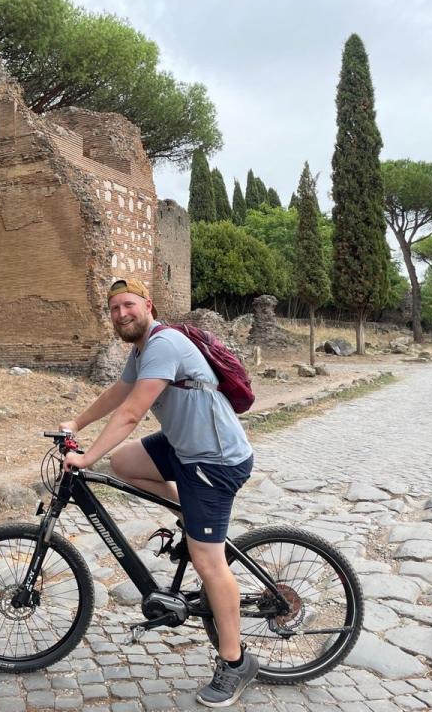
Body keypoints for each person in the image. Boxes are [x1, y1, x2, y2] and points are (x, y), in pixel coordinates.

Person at [59, 278, 257, 708]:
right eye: (113, 309)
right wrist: (77, 424)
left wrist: (86, 457)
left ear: (147, 305)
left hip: (213, 461)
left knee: (208, 559)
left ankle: (235, 662)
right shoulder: (142, 348)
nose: (121, 314)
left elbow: (132, 413)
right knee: (125, 463)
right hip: (183, 450)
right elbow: (119, 393)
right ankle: (190, 512)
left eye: (127, 305)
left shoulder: (164, 344)